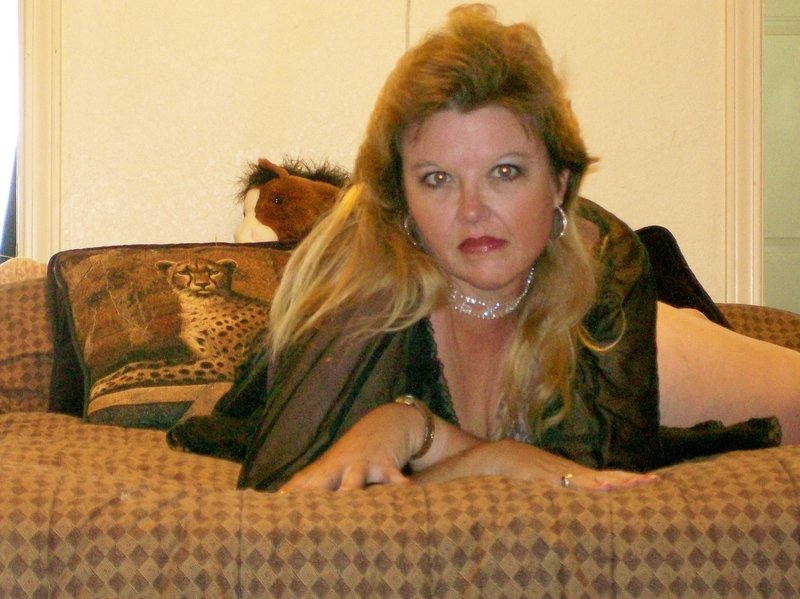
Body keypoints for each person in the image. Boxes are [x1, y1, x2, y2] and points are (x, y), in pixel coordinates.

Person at [169, 4, 798, 493]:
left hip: (592, 309)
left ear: (560, 182)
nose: (472, 211)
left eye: (505, 172)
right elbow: (290, 500)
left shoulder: (604, 262)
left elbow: (592, 482)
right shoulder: (359, 278)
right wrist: (489, 457)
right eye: (437, 179)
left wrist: (415, 430)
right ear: (400, 196)